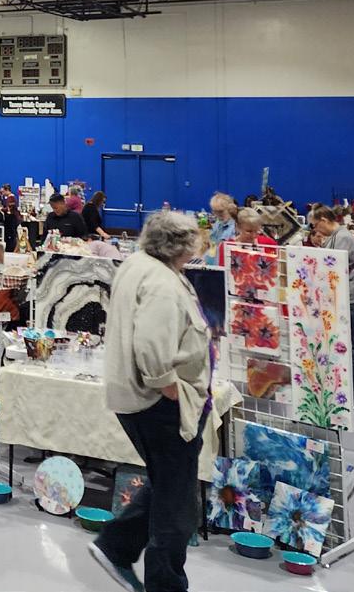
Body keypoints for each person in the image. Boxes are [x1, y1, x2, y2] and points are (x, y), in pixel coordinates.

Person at [92, 211, 210, 592]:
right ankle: (165, 583)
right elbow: (151, 344)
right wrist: (166, 384)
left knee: (170, 482)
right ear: (181, 245)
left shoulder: (140, 265)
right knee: (177, 503)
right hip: (156, 401)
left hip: (141, 397)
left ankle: (115, 545)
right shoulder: (161, 283)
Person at [310, 206, 354, 415]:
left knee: (349, 350)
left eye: (315, 225)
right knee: (346, 349)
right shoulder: (337, 237)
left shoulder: (342, 237)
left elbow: (333, 268)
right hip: (348, 299)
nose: (315, 230)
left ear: (323, 219)